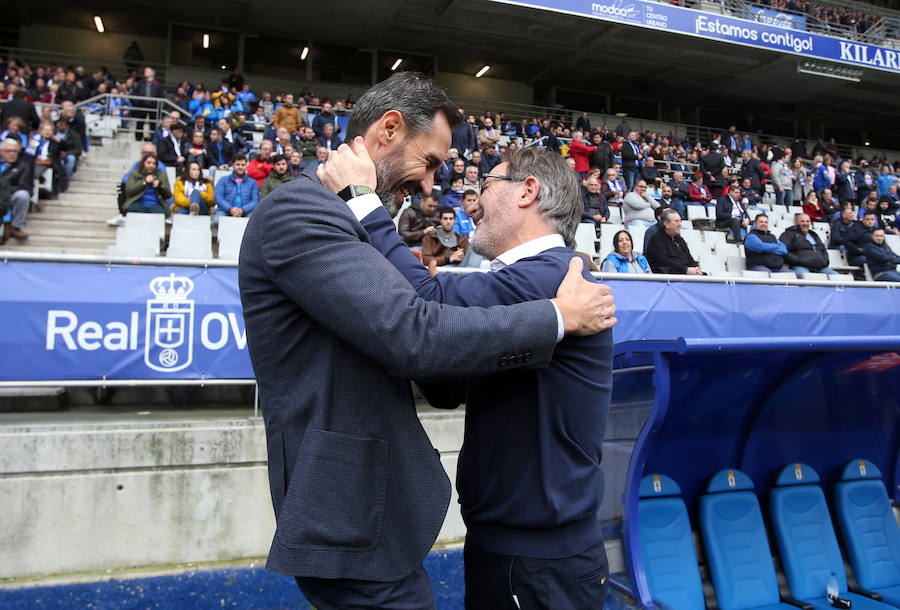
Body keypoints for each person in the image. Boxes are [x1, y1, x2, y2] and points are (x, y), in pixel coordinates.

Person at [238, 72, 615, 609]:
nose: (432, 186)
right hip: (349, 503)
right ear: (389, 129)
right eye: (432, 161)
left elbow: (426, 350)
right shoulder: (302, 212)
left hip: (389, 513)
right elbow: (416, 330)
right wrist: (556, 317)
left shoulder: (553, 271)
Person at [341, 145, 613, 610]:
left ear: (528, 191)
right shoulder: (535, 282)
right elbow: (448, 385)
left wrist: (359, 196)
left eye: (484, 184)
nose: (471, 201)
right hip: (516, 550)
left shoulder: (552, 277)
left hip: (537, 562)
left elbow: (422, 298)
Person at [646, 209, 704, 275]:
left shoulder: (680, 240)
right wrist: (686, 270)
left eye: (680, 221)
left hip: (685, 274)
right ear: (666, 224)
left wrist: (695, 269)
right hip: (667, 278)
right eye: (676, 221)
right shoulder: (656, 240)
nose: (680, 224)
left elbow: (689, 259)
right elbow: (665, 262)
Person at [0, 137, 32, 242]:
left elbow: (23, 185)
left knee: (23, 195)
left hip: (11, 194)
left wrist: (5, 191)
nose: (12, 154)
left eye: (15, 151)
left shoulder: (23, 166)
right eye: (9, 151)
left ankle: (15, 226)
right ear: (1, 152)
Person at [214, 153, 257, 224]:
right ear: (233, 165)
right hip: (225, 210)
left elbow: (255, 201)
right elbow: (218, 198)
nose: (240, 167)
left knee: (252, 223)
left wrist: (243, 210)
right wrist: (230, 209)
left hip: (246, 211)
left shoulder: (253, 182)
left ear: (246, 166)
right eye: (238, 164)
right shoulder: (223, 180)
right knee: (216, 221)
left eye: (243, 165)